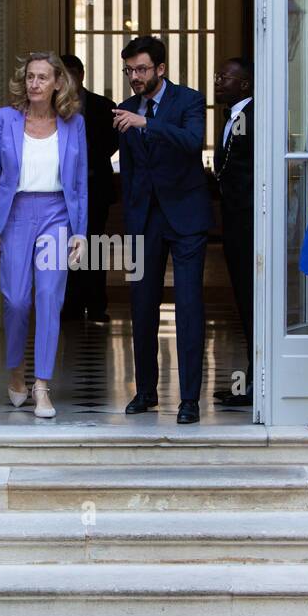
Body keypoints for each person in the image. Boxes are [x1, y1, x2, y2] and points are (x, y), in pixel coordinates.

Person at [0, 51, 88, 418]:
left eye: (43, 77)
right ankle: (16, 371)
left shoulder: (73, 123)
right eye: (30, 77)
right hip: (15, 215)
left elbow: (80, 181)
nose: (35, 84)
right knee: (15, 300)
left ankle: (42, 385)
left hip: (58, 214)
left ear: (58, 82)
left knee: (48, 296)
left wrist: (81, 232)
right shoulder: (5, 120)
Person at [113, 35, 211, 424]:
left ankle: (189, 400)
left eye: (141, 69)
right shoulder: (123, 109)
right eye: (129, 70)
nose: (135, 77)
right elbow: (131, 170)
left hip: (186, 218)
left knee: (188, 307)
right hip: (144, 221)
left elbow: (192, 142)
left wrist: (147, 123)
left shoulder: (188, 100)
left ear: (160, 69)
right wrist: (129, 222)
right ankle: (145, 391)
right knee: (141, 307)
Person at [60, 53, 118, 323]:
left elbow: (112, 143)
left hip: (95, 186)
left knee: (94, 244)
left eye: (71, 73)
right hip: (60, 191)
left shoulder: (103, 106)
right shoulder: (48, 106)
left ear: (81, 75)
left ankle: (96, 305)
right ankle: (70, 304)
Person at [213, 58, 254, 407]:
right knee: (242, 300)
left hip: (250, 222)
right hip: (233, 221)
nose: (217, 82)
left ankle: (257, 383)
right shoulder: (231, 116)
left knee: (253, 302)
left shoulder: (254, 116)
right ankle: (249, 383)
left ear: (245, 85)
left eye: (224, 77)